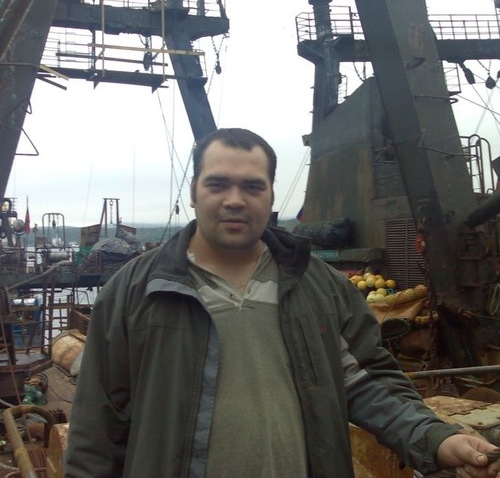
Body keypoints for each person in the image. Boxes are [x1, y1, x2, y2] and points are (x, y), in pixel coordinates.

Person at [64, 128, 500, 477]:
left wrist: (435, 438)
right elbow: (97, 426)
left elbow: (368, 383)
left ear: (271, 196)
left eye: (252, 186)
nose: (235, 200)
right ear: (194, 191)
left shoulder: (322, 287)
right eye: (218, 184)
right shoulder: (133, 292)